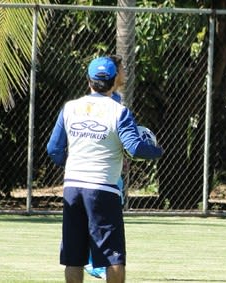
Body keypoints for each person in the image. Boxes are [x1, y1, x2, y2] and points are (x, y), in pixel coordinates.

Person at [47, 56, 162, 283]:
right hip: (102, 190)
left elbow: (53, 149)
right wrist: (157, 151)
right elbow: (135, 147)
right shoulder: (119, 112)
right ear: (113, 81)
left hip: (72, 188)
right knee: (113, 257)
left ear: (89, 80)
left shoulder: (70, 108)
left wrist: (74, 164)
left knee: (74, 257)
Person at [83, 54, 128, 280]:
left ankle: (96, 261)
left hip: (112, 169)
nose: (124, 73)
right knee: (98, 218)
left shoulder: (117, 98)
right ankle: (94, 262)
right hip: (98, 171)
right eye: (121, 69)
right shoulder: (97, 103)